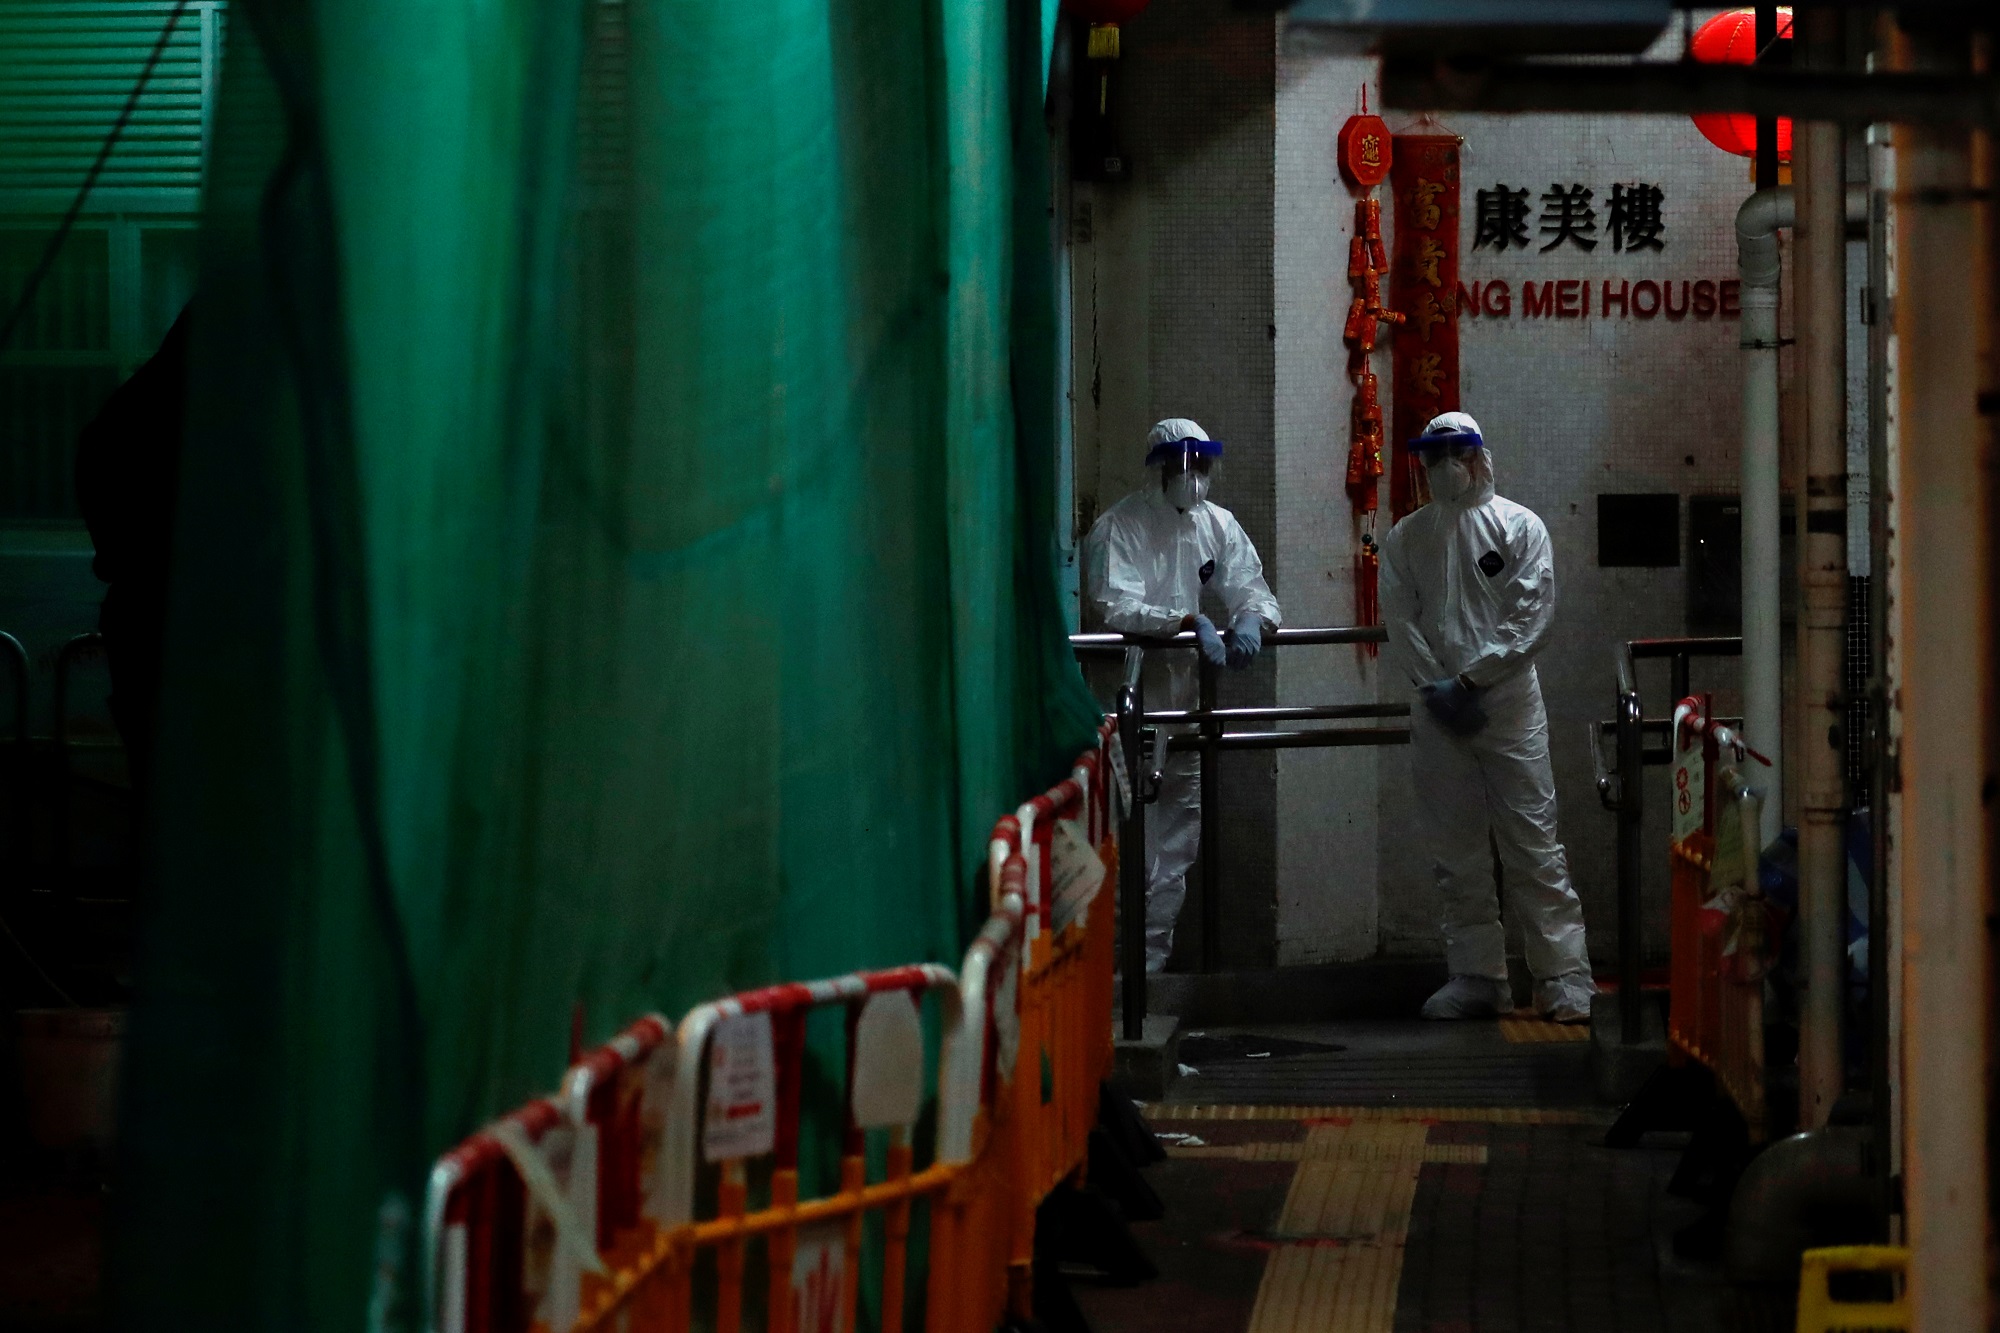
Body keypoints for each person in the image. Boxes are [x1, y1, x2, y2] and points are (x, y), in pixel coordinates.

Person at [1378, 411, 1596, 1023]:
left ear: (1480, 456)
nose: (1446, 466)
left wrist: (1473, 680)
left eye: (1457, 452)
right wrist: (1436, 687)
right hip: (1438, 707)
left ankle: (1564, 977)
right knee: (1457, 850)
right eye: (1433, 454)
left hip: (1506, 705)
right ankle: (1476, 974)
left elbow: (1532, 617)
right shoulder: (1407, 537)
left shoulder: (1519, 526)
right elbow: (1402, 621)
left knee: (1532, 842)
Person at [1083, 418, 1280, 971]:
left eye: (1201, 466)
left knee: (1174, 845)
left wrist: (1249, 621)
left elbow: (1250, 585)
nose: (1192, 478)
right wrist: (1188, 620)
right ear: (1157, 470)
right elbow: (1115, 604)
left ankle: (1149, 974)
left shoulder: (1214, 524)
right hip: (1131, 693)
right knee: (1124, 836)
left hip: (1186, 699)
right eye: (1181, 467)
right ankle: (1113, 980)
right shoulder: (1118, 527)